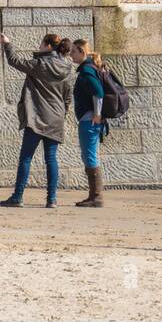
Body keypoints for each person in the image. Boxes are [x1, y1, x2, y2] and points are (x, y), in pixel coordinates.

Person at [0, 33, 70, 208]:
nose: (39, 46)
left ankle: (18, 196)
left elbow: (15, 61)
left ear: (47, 46)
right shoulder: (67, 65)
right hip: (55, 118)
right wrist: (62, 113)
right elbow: (67, 95)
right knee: (51, 159)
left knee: (26, 158)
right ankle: (52, 199)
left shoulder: (40, 64)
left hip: (37, 118)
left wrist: (8, 44)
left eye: (41, 44)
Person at [68, 38, 107, 208]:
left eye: (74, 52)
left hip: (89, 120)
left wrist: (97, 115)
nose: (71, 55)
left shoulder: (86, 71)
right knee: (88, 155)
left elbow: (98, 92)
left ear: (82, 52)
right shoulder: (88, 69)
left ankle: (96, 197)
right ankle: (93, 195)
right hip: (88, 119)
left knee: (90, 156)